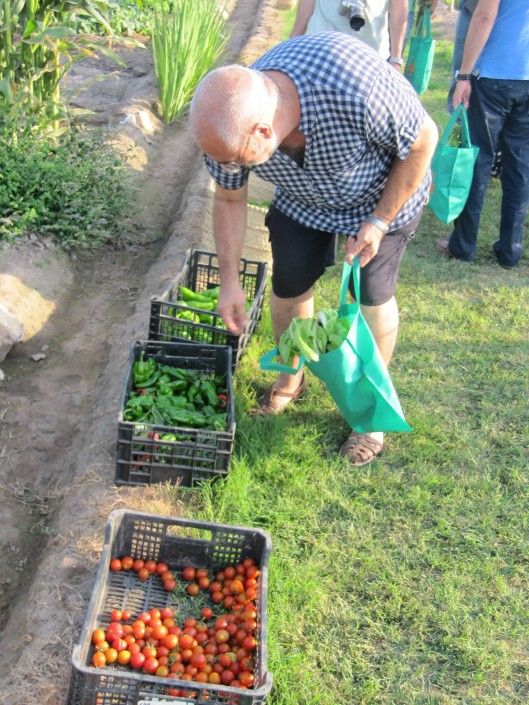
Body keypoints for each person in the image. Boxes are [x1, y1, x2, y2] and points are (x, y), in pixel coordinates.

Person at [189, 32, 437, 466]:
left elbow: (423, 141)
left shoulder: (353, 85)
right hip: (304, 198)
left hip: (381, 193)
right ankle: (290, 379)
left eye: (243, 161)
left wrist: (378, 221)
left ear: (265, 131)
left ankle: (369, 416)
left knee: (370, 295)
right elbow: (229, 198)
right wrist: (229, 282)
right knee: (289, 282)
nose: (236, 169)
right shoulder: (229, 122)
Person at [436, 0, 529, 268]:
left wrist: (463, 76)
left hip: (494, 76)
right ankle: (510, 251)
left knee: (478, 160)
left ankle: (463, 246)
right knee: (520, 167)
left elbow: (484, 17)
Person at [290, 0, 408, 68]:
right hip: (320, 50)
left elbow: (398, 5)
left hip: (369, 58)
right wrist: (293, 42)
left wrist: (395, 59)